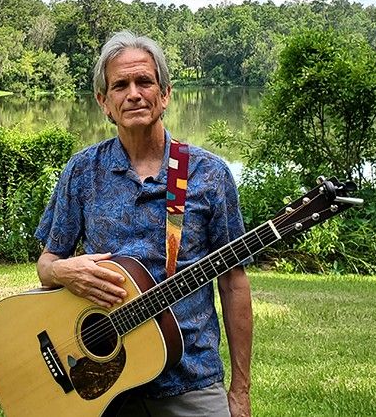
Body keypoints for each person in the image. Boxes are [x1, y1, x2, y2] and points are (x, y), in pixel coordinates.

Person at [34, 30, 252, 417]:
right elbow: (47, 265)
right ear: (104, 102)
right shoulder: (83, 172)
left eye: (144, 81)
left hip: (191, 380)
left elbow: (233, 283)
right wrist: (65, 271)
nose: (133, 93)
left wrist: (240, 390)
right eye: (120, 85)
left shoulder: (210, 174)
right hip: (103, 382)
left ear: (164, 94)